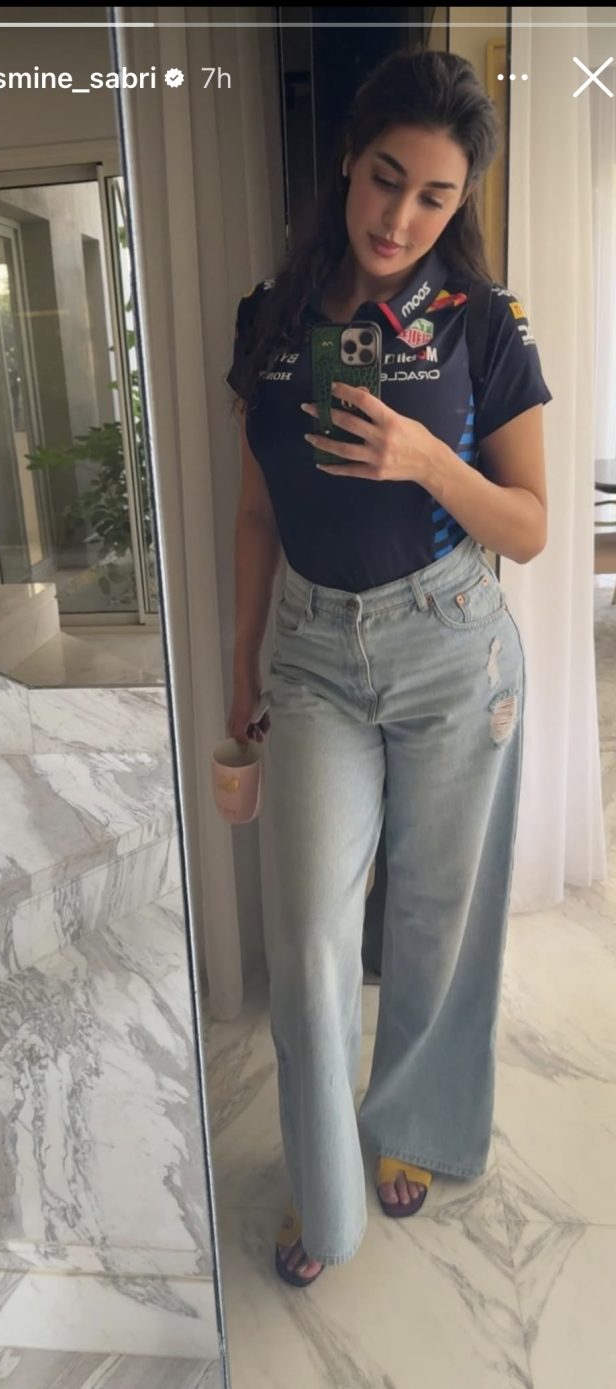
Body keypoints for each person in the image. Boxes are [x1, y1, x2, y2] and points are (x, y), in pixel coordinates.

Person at [224, 46, 552, 1287]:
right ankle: (323, 1196)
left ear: (459, 204)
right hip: (311, 655)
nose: (400, 217)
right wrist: (239, 666)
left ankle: (409, 1120)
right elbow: (255, 513)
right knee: (310, 935)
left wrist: (426, 460)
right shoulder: (269, 318)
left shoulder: (482, 321)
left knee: (431, 919)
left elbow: (530, 525)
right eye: (384, 178)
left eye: (434, 196)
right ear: (347, 165)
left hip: (451, 641)